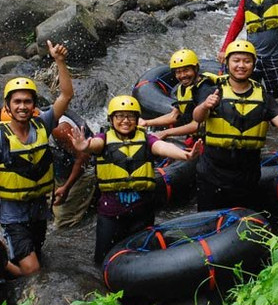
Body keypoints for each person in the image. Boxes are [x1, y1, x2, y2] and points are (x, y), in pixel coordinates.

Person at [0, 40, 74, 277]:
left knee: (37, 255)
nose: (23, 106)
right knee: (33, 270)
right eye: (17, 102)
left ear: (34, 105)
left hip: (39, 210)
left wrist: (60, 61)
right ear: (8, 105)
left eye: (27, 101)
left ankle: (9, 255)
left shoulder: (43, 125)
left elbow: (66, 95)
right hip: (13, 214)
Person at [67, 95, 198, 267]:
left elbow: (162, 147)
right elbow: (95, 145)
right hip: (111, 213)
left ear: (137, 119)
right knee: (102, 260)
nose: (125, 121)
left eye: (130, 116)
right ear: (111, 119)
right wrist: (86, 146)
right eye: (120, 116)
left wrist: (184, 155)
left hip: (141, 211)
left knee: (142, 257)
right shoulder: (103, 139)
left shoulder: (147, 139)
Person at [190, 39, 278, 213]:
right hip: (213, 170)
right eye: (236, 60)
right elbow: (197, 118)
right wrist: (205, 105)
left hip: (246, 172)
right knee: (209, 219)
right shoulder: (212, 89)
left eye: (247, 61)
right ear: (227, 63)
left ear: (253, 65)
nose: (241, 65)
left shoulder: (262, 94)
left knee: (243, 218)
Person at [138, 48, 216, 145]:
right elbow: (174, 116)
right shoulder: (182, 88)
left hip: (209, 140)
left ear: (196, 69)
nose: (182, 75)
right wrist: (146, 123)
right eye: (178, 72)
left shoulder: (204, 89)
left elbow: (197, 125)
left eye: (186, 70)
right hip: (195, 137)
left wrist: (165, 133)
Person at [50, 113, 97, 229]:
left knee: (62, 221)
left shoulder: (59, 129)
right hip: (60, 168)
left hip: (84, 168)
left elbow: (83, 157)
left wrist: (66, 187)